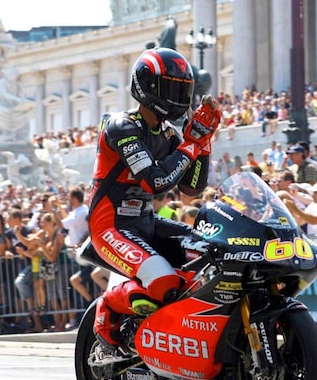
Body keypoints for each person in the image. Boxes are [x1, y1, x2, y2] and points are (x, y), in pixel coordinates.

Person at [88, 47, 220, 352]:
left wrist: (203, 143)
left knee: (211, 252)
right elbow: (156, 180)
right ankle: (107, 306)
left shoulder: (169, 134)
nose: (177, 97)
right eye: (170, 88)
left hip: (146, 224)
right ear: (147, 86)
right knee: (163, 282)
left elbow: (192, 188)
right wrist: (190, 145)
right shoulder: (121, 126)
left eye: (182, 90)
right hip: (110, 226)